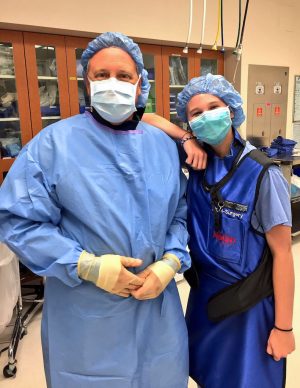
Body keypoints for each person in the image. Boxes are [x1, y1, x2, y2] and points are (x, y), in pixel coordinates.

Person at [0, 32, 192, 388]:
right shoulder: (53, 145)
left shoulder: (162, 147)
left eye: (123, 76)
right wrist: (87, 266)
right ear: (86, 83)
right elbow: (19, 221)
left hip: (157, 312)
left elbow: (179, 211)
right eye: (101, 75)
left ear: (140, 85)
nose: (112, 84)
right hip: (86, 315)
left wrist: (171, 261)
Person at [143, 74, 295, 388]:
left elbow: (283, 255)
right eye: (196, 113)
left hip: (247, 305)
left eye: (214, 106)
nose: (206, 116)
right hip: (203, 298)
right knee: (207, 375)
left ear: (231, 110)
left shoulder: (262, 174)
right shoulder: (197, 161)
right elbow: (144, 116)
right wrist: (184, 139)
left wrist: (283, 328)